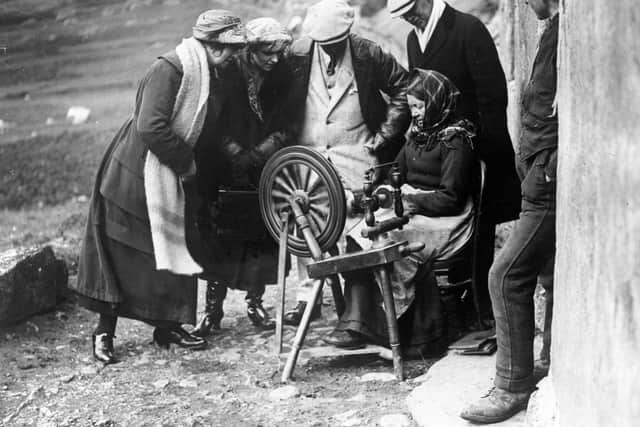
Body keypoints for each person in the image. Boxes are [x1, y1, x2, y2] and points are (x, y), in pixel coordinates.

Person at [69, 10, 247, 364]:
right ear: (211, 46)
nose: (233, 55)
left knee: (175, 244)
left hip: (170, 169)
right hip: (137, 169)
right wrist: (186, 161)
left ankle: (169, 325)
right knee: (122, 248)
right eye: (228, 48)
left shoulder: (212, 73)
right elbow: (151, 126)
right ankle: (104, 331)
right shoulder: (170, 69)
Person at [387, 0, 522, 321]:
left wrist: (482, 147)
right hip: (441, 149)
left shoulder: (467, 29)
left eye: (409, 11)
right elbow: (420, 91)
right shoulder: (413, 38)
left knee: (478, 230)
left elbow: (492, 95)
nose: (407, 19)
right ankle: (443, 307)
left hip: (473, 146)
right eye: (401, 16)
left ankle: (482, 310)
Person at [324, 69, 477, 352]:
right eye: (411, 107)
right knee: (360, 233)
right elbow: (396, 174)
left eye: (420, 106)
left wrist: (412, 202)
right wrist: (371, 196)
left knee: (388, 241)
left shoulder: (457, 139)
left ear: (435, 102)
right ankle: (358, 322)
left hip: (447, 218)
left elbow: (453, 198)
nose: (415, 113)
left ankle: (401, 329)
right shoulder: (417, 135)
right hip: (414, 209)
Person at [281, 0, 411, 326]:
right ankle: (307, 297)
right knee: (306, 222)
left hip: (356, 154)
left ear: (348, 33)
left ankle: (360, 307)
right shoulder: (297, 55)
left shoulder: (368, 53)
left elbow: (404, 89)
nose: (331, 50)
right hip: (310, 156)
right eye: (324, 45)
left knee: (358, 224)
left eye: (336, 44)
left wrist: (382, 138)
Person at [461, 0, 559, 423]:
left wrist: (547, 169)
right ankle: (549, 361)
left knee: (504, 276)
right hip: (538, 177)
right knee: (549, 273)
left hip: (549, 182)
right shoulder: (552, 30)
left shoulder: (562, 35)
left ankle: (511, 385)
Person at [192, 17, 294, 335]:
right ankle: (212, 311)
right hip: (224, 168)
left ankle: (255, 303)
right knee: (220, 238)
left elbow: (291, 119)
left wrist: (264, 150)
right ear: (250, 50)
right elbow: (211, 120)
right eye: (267, 53)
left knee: (263, 236)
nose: (274, 59)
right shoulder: (226, 73)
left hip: (265, 167)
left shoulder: (283, 73)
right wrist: (235, 151)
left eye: (278, 53)